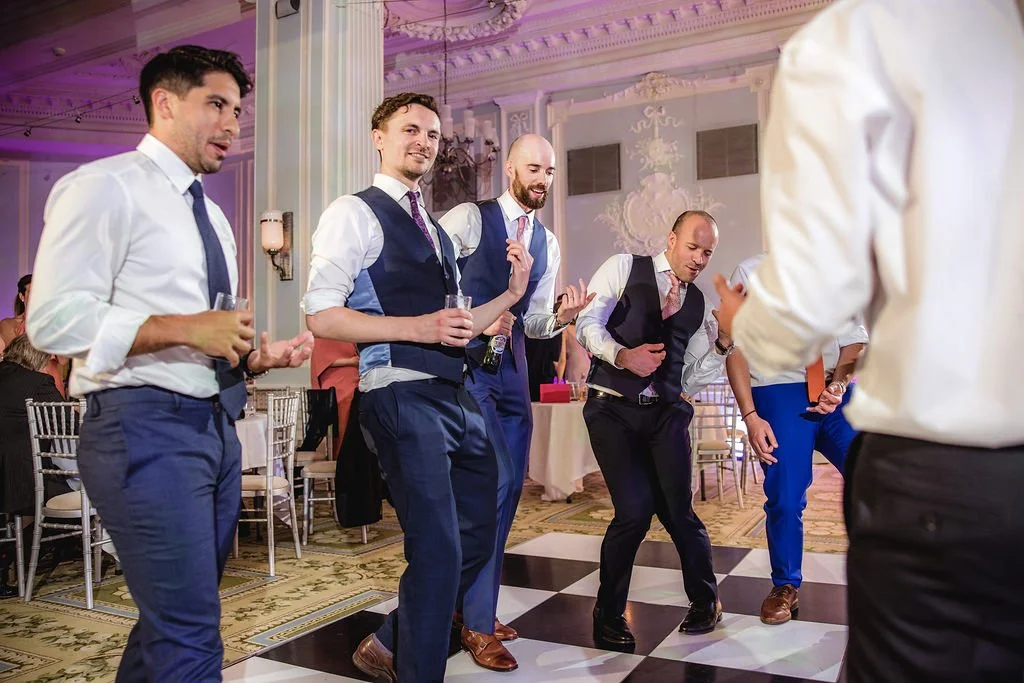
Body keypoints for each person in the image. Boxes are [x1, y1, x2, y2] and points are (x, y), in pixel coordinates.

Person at [712, 1, 1024, 681]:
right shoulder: (1004, 27)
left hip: (925, 452)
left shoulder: (848, 40)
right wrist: (754, 408)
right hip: (786, 392)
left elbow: (821, 313)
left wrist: (758, 329)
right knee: (785, 493)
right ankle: (786, 582)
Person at [27, 45, 312, 682]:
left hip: (215, 429)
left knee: (171, 623)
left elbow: (201, 341)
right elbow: (50, 321)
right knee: (191, 635)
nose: (233, 124)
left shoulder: (212, 215)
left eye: (238, 109)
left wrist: (251, 357)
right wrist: (185, 328)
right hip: (141, 429)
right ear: (164, 102)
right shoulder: (102, 187)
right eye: (215, 104)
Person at [303, 92, 534, 682]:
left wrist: (510, 294)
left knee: (479, 534)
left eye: (432, 135)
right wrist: (418, 327)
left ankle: (391, 641)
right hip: (398, 393)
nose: (424, 143)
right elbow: (322, 315)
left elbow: (457, 324)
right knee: (437, 550)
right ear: (378, 136)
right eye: (411, 130)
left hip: (454, 394)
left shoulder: (433, 227)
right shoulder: (352, 212)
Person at [438, 133, 594, 671]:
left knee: (509, 494)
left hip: (512, 370)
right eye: (533, 168)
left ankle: (471, 605)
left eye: (548, 172)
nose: (541, 180)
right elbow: (431, 275)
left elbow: (535, 321)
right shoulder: (468, 219)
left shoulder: (546, 242)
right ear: (509, 168)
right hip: (468, 367)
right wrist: (476, 311)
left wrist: (565, 317)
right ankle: (476, 623)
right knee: (495, 482)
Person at [576, 210, 732, 650]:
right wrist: (622, 356)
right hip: (612, 409)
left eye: (708, 252)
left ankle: (707, 602)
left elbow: (691, 374)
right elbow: (587, 323)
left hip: (666, 413)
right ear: (671, 239)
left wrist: (722, 342)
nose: (700, 258)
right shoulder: (624, 267)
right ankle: (607, 615)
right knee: (634, 512)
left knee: (678, 511)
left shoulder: (699, 303)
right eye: (693, 247)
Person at [725, 253, 866, 625]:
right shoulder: (750, 273)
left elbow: (854, 342)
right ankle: (785, 585)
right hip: (778, 389)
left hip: (836, 390)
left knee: (877, 477)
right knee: (786, 496)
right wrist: (751, 417)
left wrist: (838, 383)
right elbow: (734, 350)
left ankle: (892, 578)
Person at [0, 335, 73, 597]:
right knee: (83, 482)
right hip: (23, 483)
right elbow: (68, 429)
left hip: (8, 481)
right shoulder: (38, 383)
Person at [1, 275, 67, 396]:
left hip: (50, 384)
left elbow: (63, 360)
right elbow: (11, 359)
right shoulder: (8, 324)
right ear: (22, 296)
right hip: (18, 386)